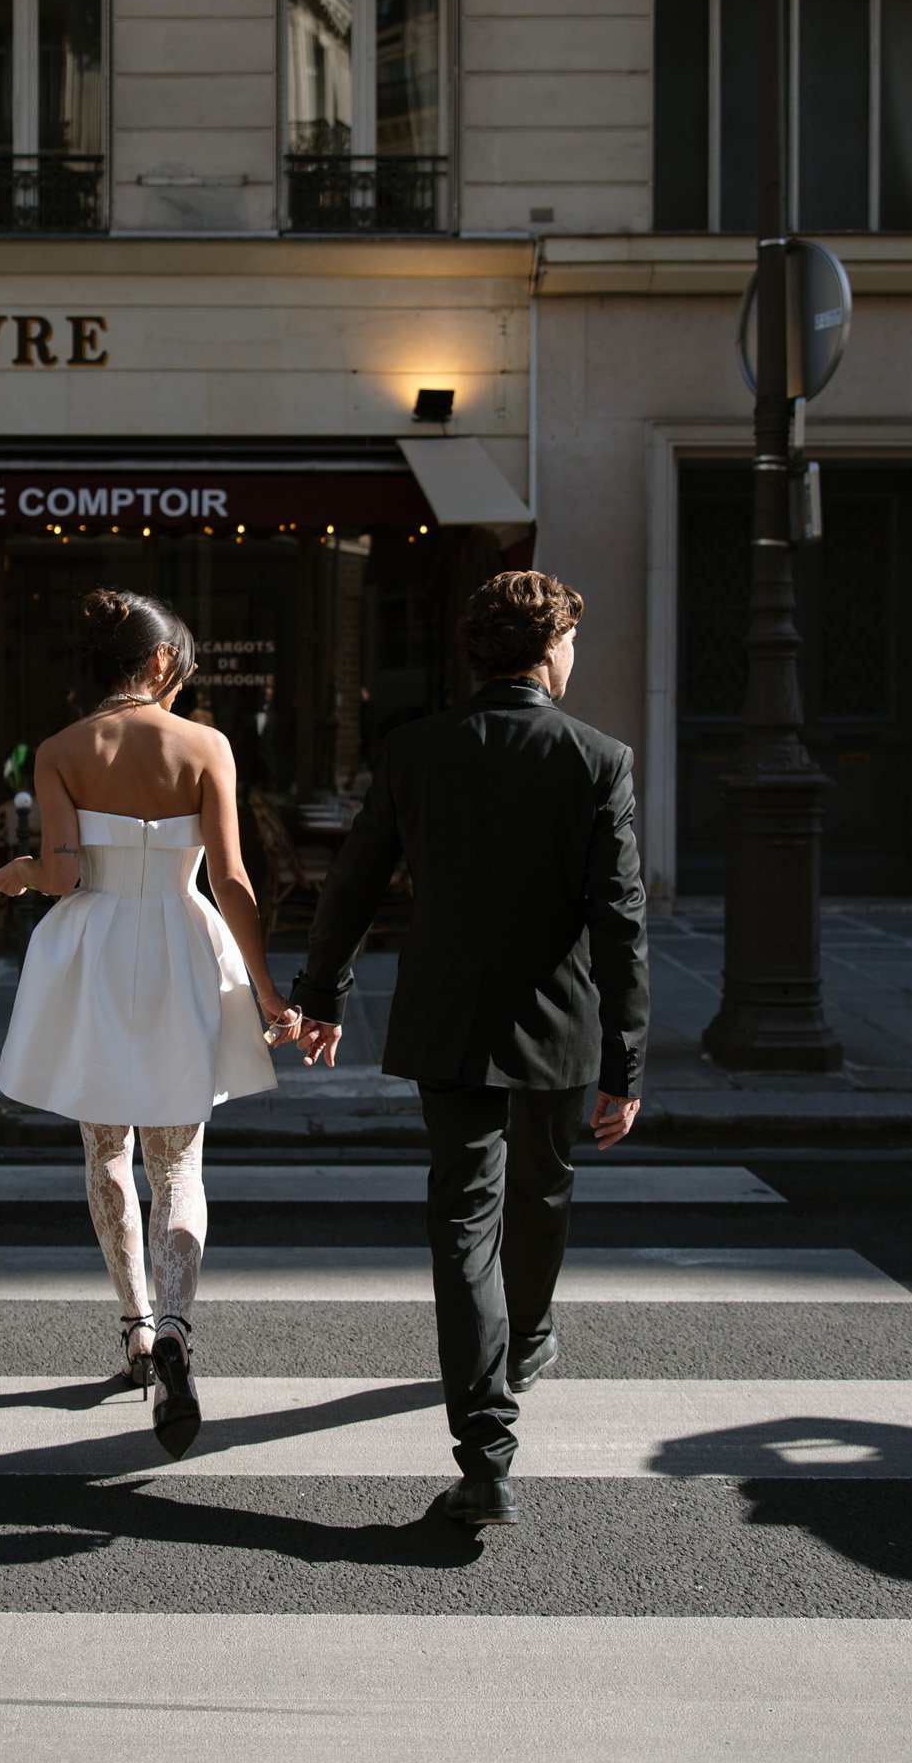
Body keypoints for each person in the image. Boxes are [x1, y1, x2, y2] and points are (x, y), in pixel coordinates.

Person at [290, 570, 649, 1528]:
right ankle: (526, 1336)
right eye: (571, 642)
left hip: (447, 1017)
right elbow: (618, 920)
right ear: (547, 649)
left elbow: (353, 884)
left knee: (461, 1219)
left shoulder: (415, 750)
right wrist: (627, 1059)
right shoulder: (597, 757)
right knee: (544, 1191)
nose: (574, 658)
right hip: (559, 1021)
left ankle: (485, 1450)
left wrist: (321, 992)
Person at [0, 589, 301, 1460]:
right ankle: (174, 1324)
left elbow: (58, 874)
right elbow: (232, 881)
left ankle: (131, 1329)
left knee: (107, 1154)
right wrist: (270, 995)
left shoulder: (58, 750)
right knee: (180, 1161)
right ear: (161, 662)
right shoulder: (205, 744)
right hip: (180, 944)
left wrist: (14, 872)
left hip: (92, 948)